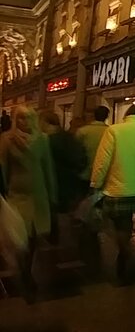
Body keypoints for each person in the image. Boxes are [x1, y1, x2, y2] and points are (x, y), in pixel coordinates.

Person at [90, 103, 135, 284]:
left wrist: (96, 183)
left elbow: (102, 160)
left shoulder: (114, 130)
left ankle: (127, 253)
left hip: (117, 190)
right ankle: (124, 257)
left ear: (127, 115)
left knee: (119, 225)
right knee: (128, 225)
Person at [0, 107, 57, 302]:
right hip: (17, 195)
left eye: (28, 117)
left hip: (38, 194)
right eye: (20, 118)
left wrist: (53, 194)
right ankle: (24, 272)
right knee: (20, 236)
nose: (24, 122)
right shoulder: (7, 139)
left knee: (34, 237)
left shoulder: (42, 139)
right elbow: (3, 168)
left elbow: (48, 167)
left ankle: (27, 271)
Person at [40, 111, 87, 215]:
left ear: (45, 123)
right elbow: (81, 158)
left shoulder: (48, 141)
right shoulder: (69, 137)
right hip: (71, 184)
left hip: (56, 185)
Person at [76, 106, 110, 183]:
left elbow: (76, 150)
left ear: (94, 115)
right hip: (103, 173)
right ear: (107, 116)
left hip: (84, 172)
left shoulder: (83, 131)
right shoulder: (110, 131)